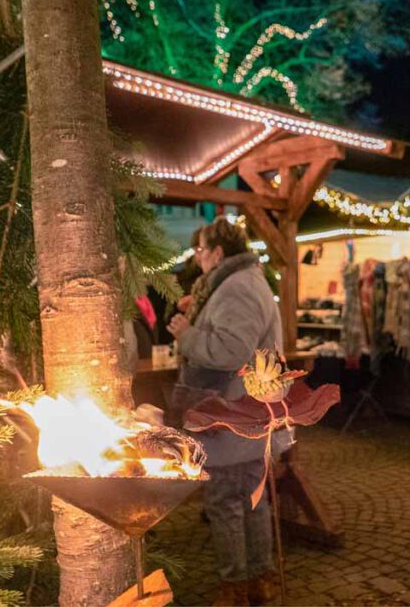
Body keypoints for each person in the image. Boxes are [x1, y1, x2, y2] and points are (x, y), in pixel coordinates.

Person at [167, 217, 286, 606]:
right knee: (251, 499)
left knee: (226, 504)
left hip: (233, 415)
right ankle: (258, 579)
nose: (198, 258)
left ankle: (236, 587)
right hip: (244, 413)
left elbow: (230, 351)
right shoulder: (244, 282)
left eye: (201, 250)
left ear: (218, 253)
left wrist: (188, 334)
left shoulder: (236, 288)